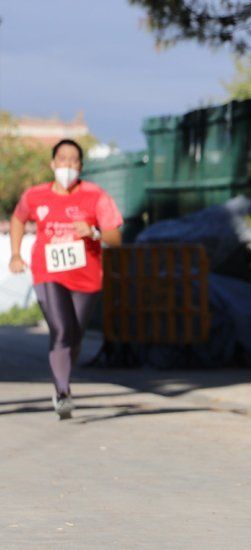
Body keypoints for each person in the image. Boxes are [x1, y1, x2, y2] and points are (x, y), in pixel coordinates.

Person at [8, 138, 123, 420]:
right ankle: (62, 391)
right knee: (61, 330)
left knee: (75, 335)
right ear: (52, 164)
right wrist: (15, 253)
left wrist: (94, 232)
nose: (67, 165)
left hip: (86, 276)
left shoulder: (96, 196)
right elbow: (18, 219)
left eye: (73, 161)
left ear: (81, 166)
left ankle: (63, 378)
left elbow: (116, 238)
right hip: (48, 271)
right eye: (62, 159)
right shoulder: (35, 196)